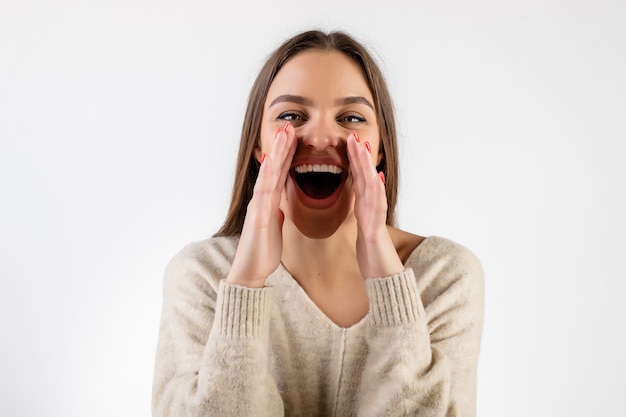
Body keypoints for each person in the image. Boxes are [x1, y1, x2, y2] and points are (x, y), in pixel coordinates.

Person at [152, 29, 484, 417]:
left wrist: (388, 280)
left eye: (351, 117)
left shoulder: (445, 276)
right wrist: (245, 282)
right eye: (291, 116)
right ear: (259, 148)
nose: (323, 137)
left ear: (379, 150)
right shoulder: (201, 277)